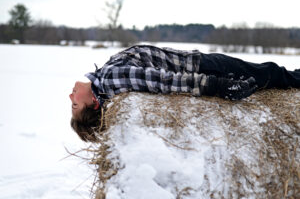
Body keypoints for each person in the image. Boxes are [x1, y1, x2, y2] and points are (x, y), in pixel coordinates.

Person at [69, 45, 300, 141]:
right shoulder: (110, 80)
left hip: (198, 63)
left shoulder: (106, 77)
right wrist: (215, 86)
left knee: (267, 75)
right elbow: (166, 82)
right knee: (269, 74)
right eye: (75, 105)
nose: (71, 97)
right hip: (201, 68)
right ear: (94, 103)